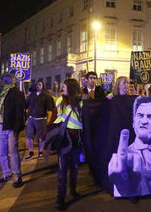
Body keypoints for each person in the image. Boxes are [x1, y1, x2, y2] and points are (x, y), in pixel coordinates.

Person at [53, 78, 83, 210]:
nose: (62, 88)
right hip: (65, 139)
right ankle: (60, 197)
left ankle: (73, 190)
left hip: (77, 139)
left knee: (75, 167)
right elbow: (56, 118)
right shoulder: (60, 100)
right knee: (62, 169)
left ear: (71, 88)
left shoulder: (81, 101)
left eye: (64, 86)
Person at [0, 73, 26, 188]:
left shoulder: (16, 93)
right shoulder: (1, 93)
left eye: (1, 80)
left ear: (5, 81)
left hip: (11, 127)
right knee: (2, 152)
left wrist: (17, 127)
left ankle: (17, 175)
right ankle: (6, 173)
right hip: (1, 125)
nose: (0, 82)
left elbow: (19, 111)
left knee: (13, 151)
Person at [24, 80, 55, 160]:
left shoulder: (46, 96)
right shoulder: (32, 95)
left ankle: (40, 152)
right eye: (37, 84)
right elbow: (26, 105)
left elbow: (50, 109)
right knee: (29, 136)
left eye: (40, 84)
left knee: (41, 137)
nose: (38, 86)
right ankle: (30, 152)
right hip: (31, 118)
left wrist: (48, 120)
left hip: (41, 119)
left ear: (43, 85)